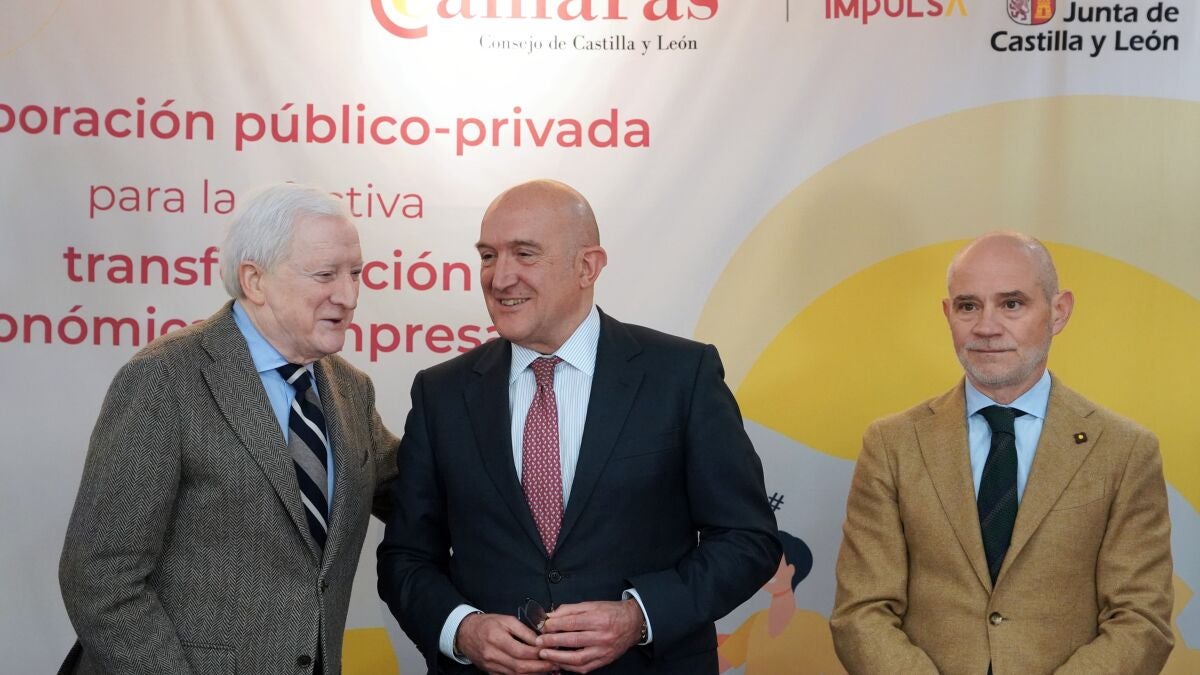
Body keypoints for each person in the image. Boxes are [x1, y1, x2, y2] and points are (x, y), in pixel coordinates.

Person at [377, 178, 780, 674]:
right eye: (488, 256)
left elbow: (746, 538)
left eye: (524, 254)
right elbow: (405, 557)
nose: (499, 278)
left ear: (587, 266)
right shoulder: (441, 393)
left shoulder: (681, 375)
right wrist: (461, 629)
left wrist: (639, 616)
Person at [58, 183, 399, 675]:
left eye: (356, 273)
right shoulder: (164, 378)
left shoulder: (350, 389)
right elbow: (99, 577)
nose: (348, 296)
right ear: (255, 280)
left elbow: (415, 491)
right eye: (326, 274)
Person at [830, 232, 1174, 674]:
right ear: (948, 314)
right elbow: (861, 612)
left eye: (1012, 304)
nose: (986, 327)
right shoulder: (891, 444)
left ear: (1059, 312)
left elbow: (1141, 620)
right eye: (968, 306)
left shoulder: (1125, 450)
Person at [718, 532, 845, 674]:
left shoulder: (815, 624)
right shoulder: (756, 622)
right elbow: (719, 662)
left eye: (775, 562)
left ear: (791, 570)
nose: (766, 568)